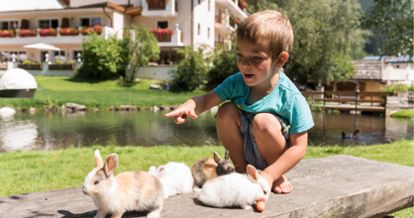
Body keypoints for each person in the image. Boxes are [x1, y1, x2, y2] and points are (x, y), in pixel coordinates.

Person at [165, 10, 314, 194]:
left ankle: (275, 175)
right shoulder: (237, 82)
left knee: (263, 122)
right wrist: (190, 105)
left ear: (280, 59)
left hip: (274, 158)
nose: (244, 64)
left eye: (256, 58)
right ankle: (241, 169)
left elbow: (299, 147)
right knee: (226, 110)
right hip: (245, 151)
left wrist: (270, 174)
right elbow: (207, 99)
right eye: (240, 55)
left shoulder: (291, 96)